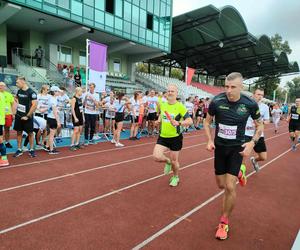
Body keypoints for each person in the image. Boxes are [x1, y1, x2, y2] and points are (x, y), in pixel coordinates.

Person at [204, 72, 263, 240]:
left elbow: (259, 126)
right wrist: (209, 140)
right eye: (227, 87)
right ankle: (238, 172)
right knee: (221, 185)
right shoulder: (217, 101)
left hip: (237, 149)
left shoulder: (250, 104)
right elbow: (207, 122)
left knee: (230, 187)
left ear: (241, 87)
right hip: (220, 149)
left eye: (233, 87)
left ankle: (224, 222)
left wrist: (252, 142)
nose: (229, 90)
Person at [153, 84, 193, 187]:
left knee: (175, 161)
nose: (170, 93)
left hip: (175, 138)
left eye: (172, 91)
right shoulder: (163, 105)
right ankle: (167, 161)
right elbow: (162, 116)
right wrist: (158, 121)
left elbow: (190, 121)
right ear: (166, 93)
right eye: (168, 91)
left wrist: (179, 123)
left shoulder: (180, 107)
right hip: (163, 136)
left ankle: (175, 177)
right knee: (156, 156)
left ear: (176, 93)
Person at [244, 89, 270, 172]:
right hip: (246, 134)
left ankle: (254, 160)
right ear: (253, 94)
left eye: (262, 95)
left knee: (263, 157)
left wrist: (260, 122)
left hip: (259, 134)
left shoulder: (265, 107)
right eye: (258, 94)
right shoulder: (245, 105)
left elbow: (267, 121)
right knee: (243, 155)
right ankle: (241, 174)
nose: (260, 97)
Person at [13, 76, 37, 158]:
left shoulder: (31, 92)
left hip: (28, 117)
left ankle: (31, 149)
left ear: (23, 82)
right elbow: (16, 98)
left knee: (30, 133)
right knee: (19, 132)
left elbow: (34, 105)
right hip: (19, 116)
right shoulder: (19, 91)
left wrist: (27, 116)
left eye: (17, 82)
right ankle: (19, 149)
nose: (16, 84)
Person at [46, 86, 62, 154]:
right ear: (54, 92)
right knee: (52, 135)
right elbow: (54, 111)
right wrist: (58, 121)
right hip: (52, 118)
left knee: (51, 134)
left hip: (50, 117)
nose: (59, 92)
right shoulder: (53, 99)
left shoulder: (52, 98)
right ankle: (51, 150)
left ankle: (48, 146)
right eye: (57, 91)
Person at [0, 82, 15, 148]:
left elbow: (13, 104)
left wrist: (13, 113)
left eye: (3, 86)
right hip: (0, 115)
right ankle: (1, 142)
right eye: (0, 86)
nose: (1, 87)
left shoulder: (9, 95)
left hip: (8, 114)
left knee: (7, 129)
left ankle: (7, 142)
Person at [0, 88, 9, 166]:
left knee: (0, 141)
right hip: (1, 120)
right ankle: (4, 158)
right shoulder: (2, 95)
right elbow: (6, 109)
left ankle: (4, 159)